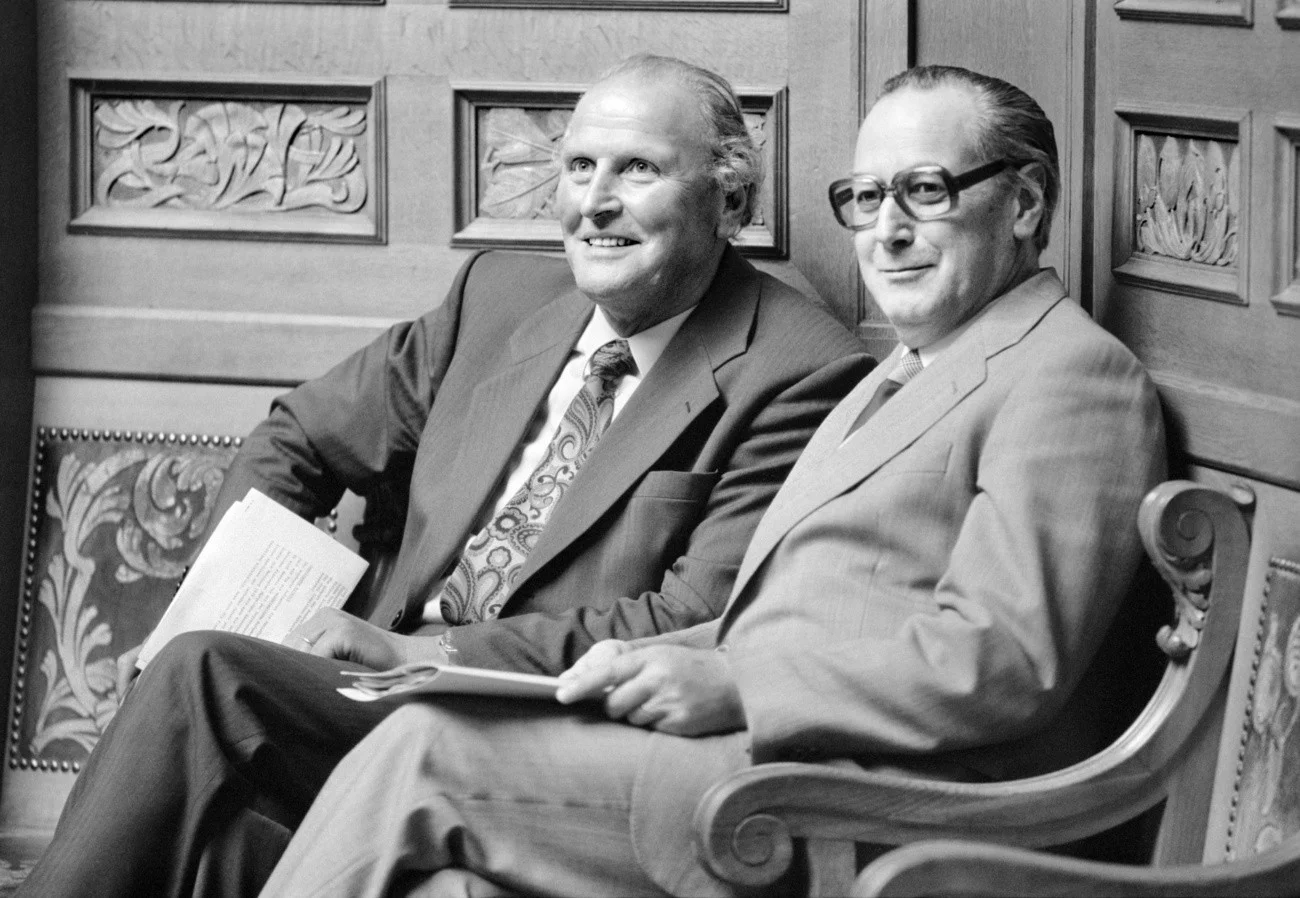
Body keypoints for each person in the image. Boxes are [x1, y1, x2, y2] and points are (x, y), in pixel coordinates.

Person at [254, 64, 1169, 898]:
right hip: (761, 761)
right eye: (866, 198)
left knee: (422, 750)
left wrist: (737, 686)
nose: (887, 230)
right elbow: (790, 612)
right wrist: (653, 661)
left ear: (1024, 202)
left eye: (926, 191)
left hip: (856, 803)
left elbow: (1002, 662)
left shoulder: (1072, 375)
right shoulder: (904, 370)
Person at [16, 55, 871, 898]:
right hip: (357, 684)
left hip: (535, 726)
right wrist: (227, 604)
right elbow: (299, 440)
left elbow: (689, 619)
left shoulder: (799, 369)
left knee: (201, 676)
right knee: (212, 779)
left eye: (638, 169)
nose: (595, 202)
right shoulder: (496, 295)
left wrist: (424, 655)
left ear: (730, 200)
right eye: (580, 166)